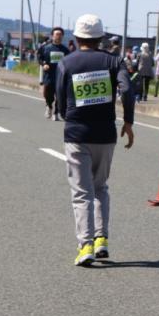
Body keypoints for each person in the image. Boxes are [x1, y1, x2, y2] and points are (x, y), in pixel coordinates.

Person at [55, 14, 134, 266]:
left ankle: (85, 245)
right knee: (100, 187)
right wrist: (129, 122)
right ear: (100, 38)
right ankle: (101, 239)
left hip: (77, 133)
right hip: (106, 134)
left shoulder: (67, 62)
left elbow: (59, 98)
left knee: (81, 192)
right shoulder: (114, 60)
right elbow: (128, 91)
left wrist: (65, 114)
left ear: (76, 38)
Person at [38, 27, 68, 120]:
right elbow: (39, 57)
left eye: (60, 35)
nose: (58, 36)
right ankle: (49, 106)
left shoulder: (65, 50)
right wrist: (44, 64)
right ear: (52, 36)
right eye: (57, 34)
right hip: (49, 75)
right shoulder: (45, 48)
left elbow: (69, 61)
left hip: (60, 75)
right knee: (48, 94)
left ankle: (56, 113)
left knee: (60, 95)